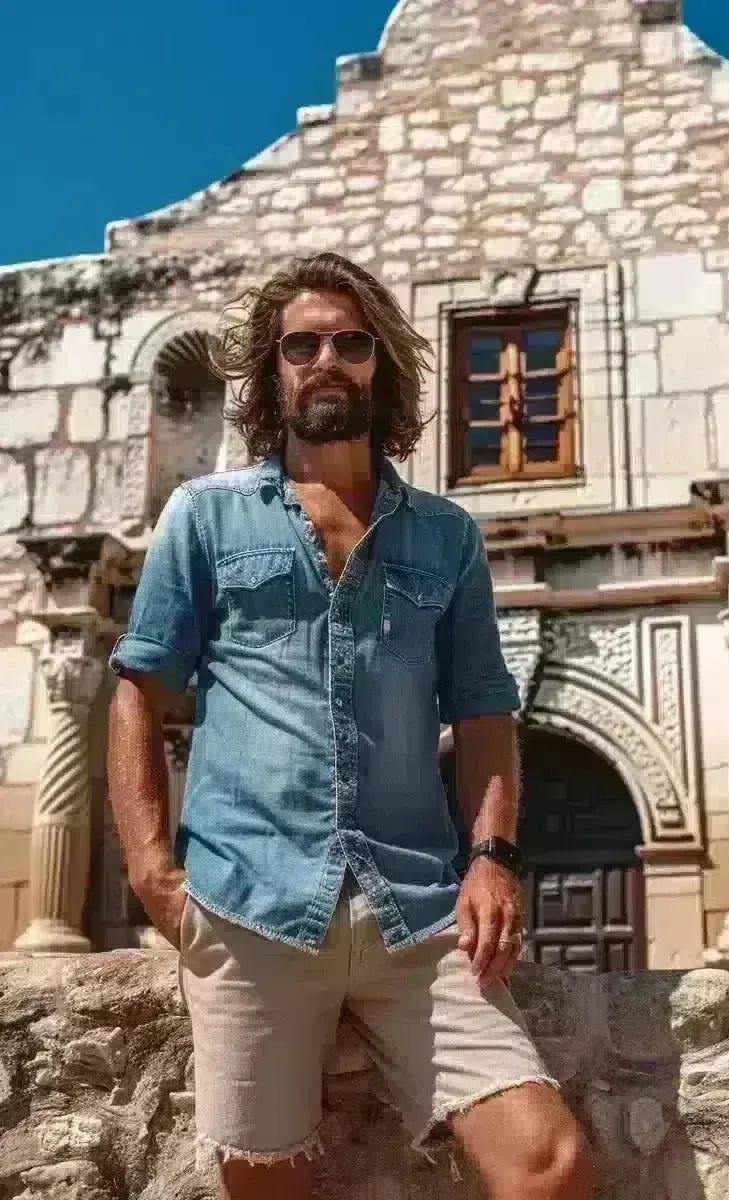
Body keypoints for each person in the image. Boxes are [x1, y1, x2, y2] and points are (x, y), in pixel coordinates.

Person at [107, 252, 594, 1200]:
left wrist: (492, 855)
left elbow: (486, 709)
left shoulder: (446, 536)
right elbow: (138, 688)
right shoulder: (203, 518)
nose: (326, 358)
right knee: (270, 1189)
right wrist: (149, 868)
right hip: (248, 905)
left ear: (382, 366)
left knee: (550, 1163)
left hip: (416, 910)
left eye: (349, 341)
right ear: (273, 369)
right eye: (301, 344)